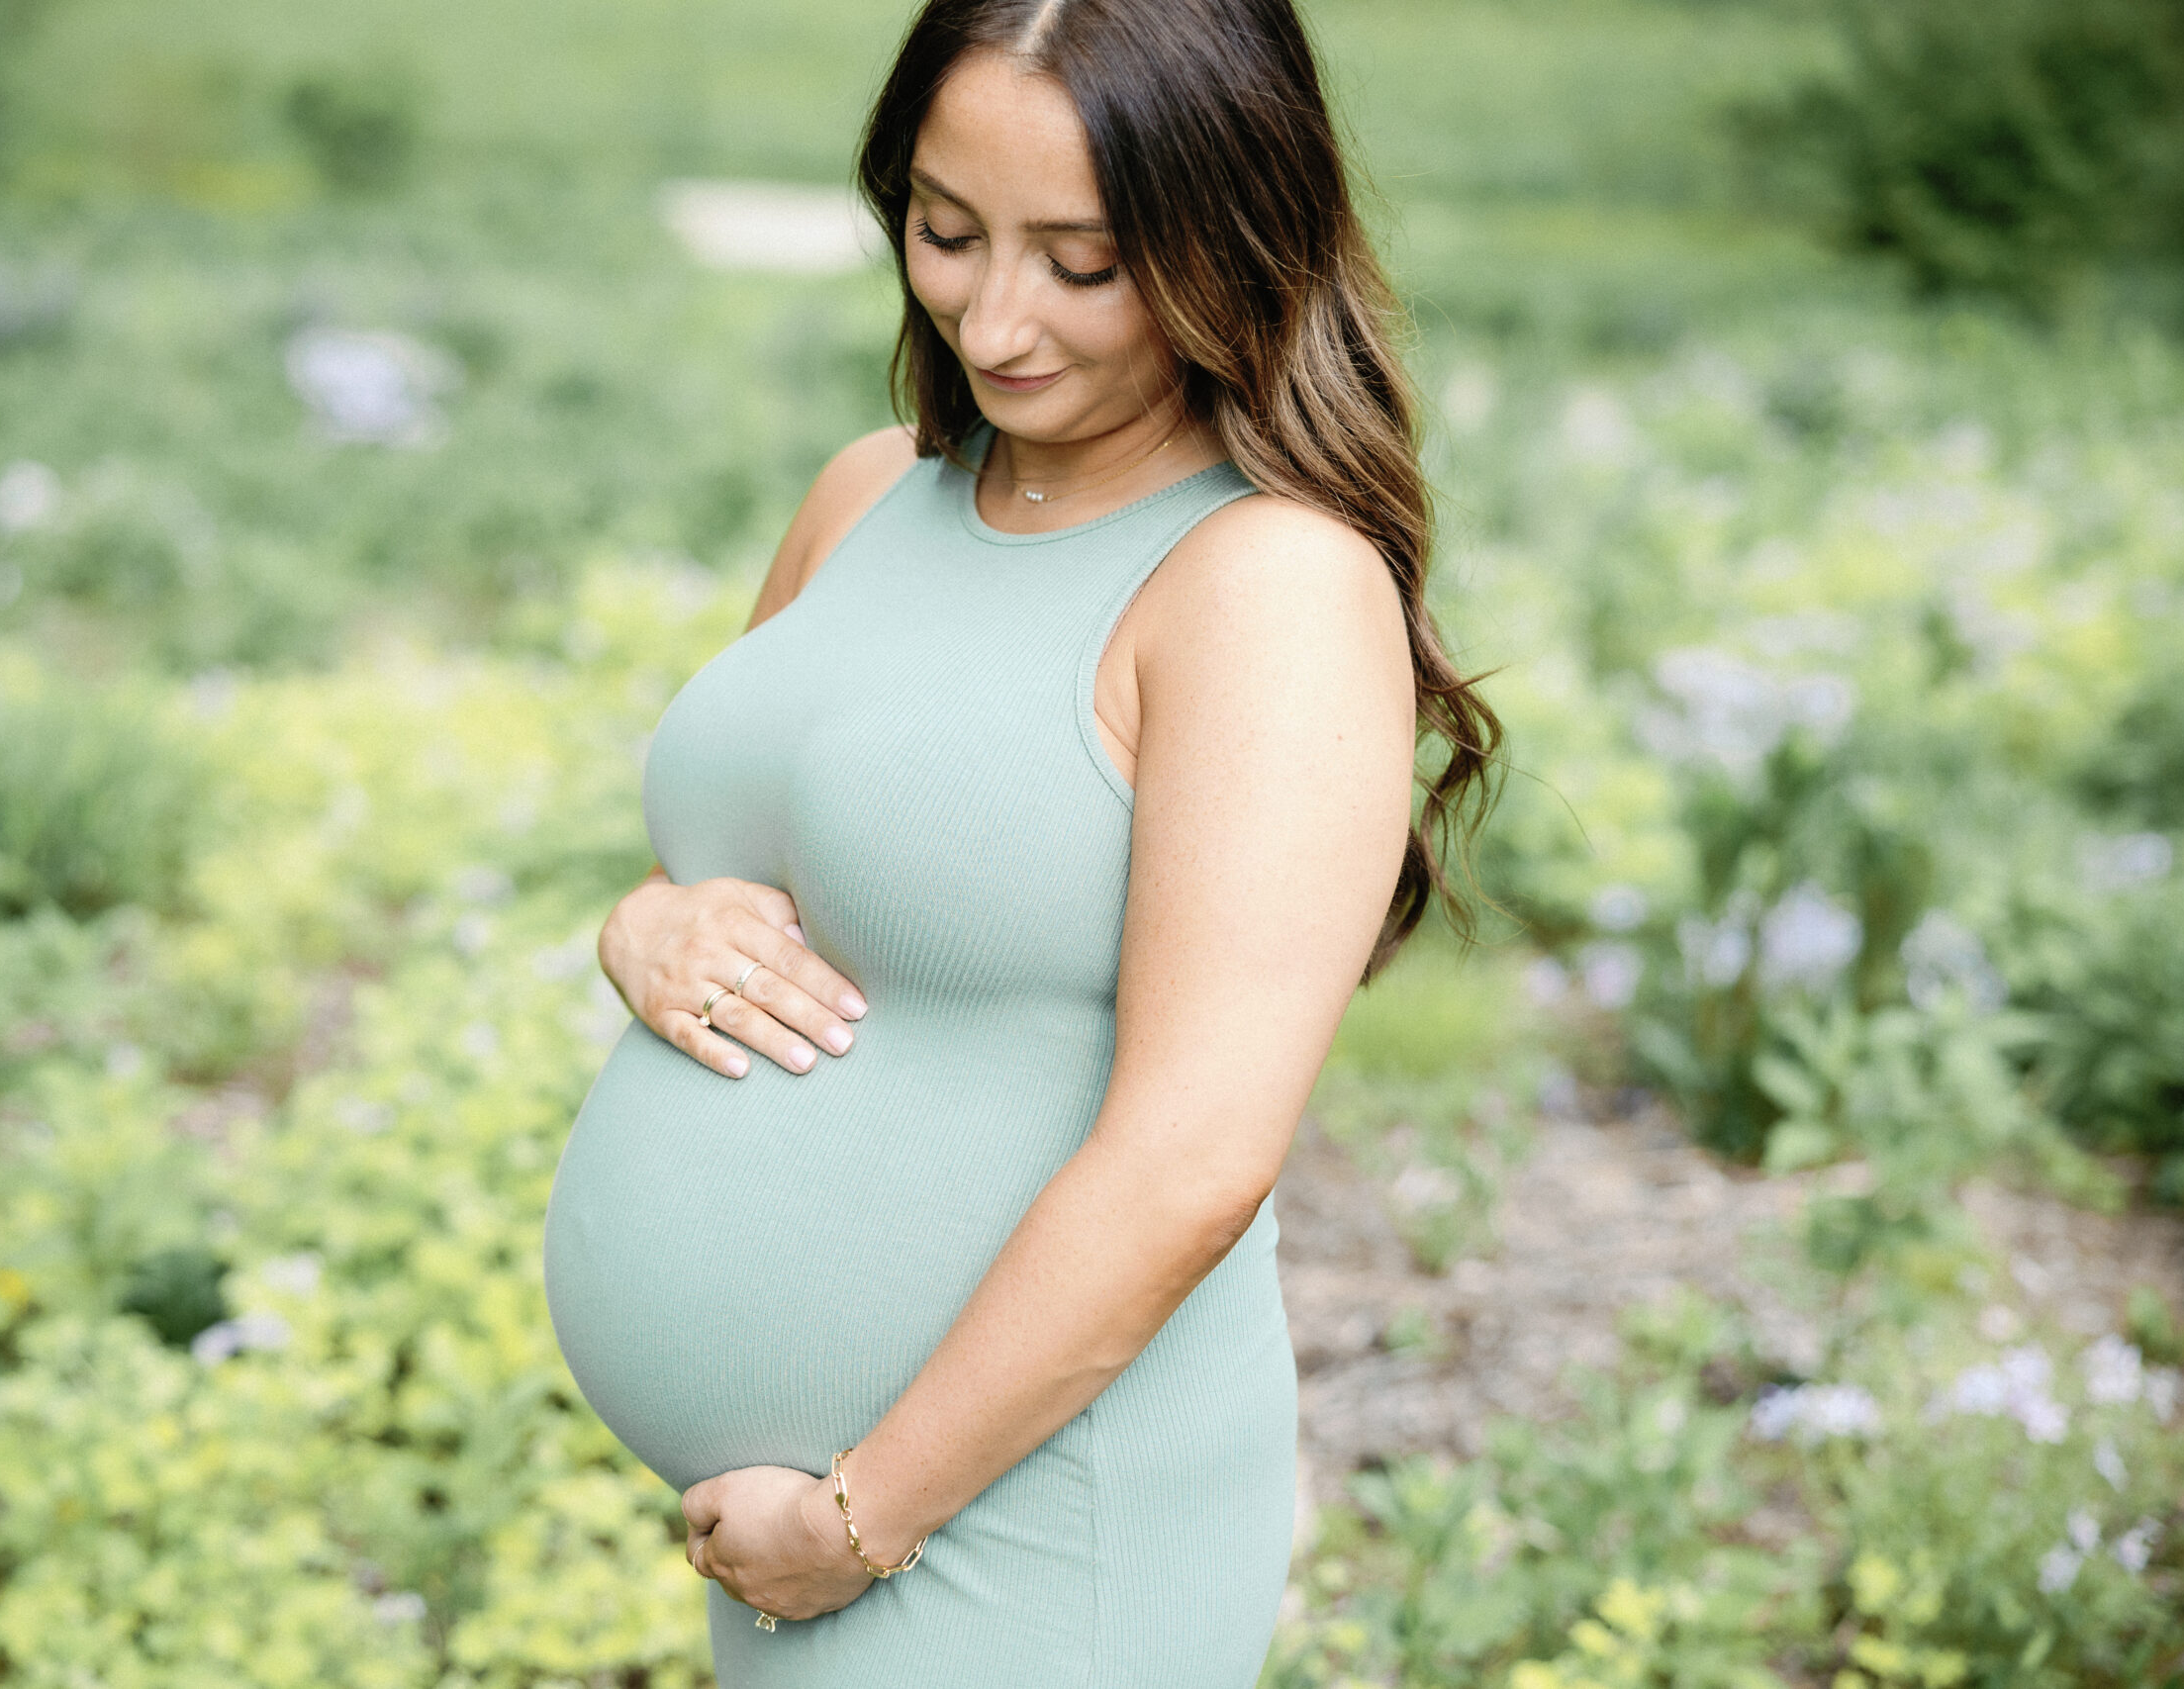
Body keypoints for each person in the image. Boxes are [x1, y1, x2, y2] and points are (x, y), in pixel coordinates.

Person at [540, 0, 1499, 1681]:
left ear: (1234, 240)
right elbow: (735, 862)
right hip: (809, 1523)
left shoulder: (1263, 586)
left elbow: (1197, 1154)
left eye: (1084, 260)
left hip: (1018, 1523)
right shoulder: (869, 495)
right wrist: (646, 929)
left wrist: (859, 1519)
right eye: (946, 229)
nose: (995, 319)